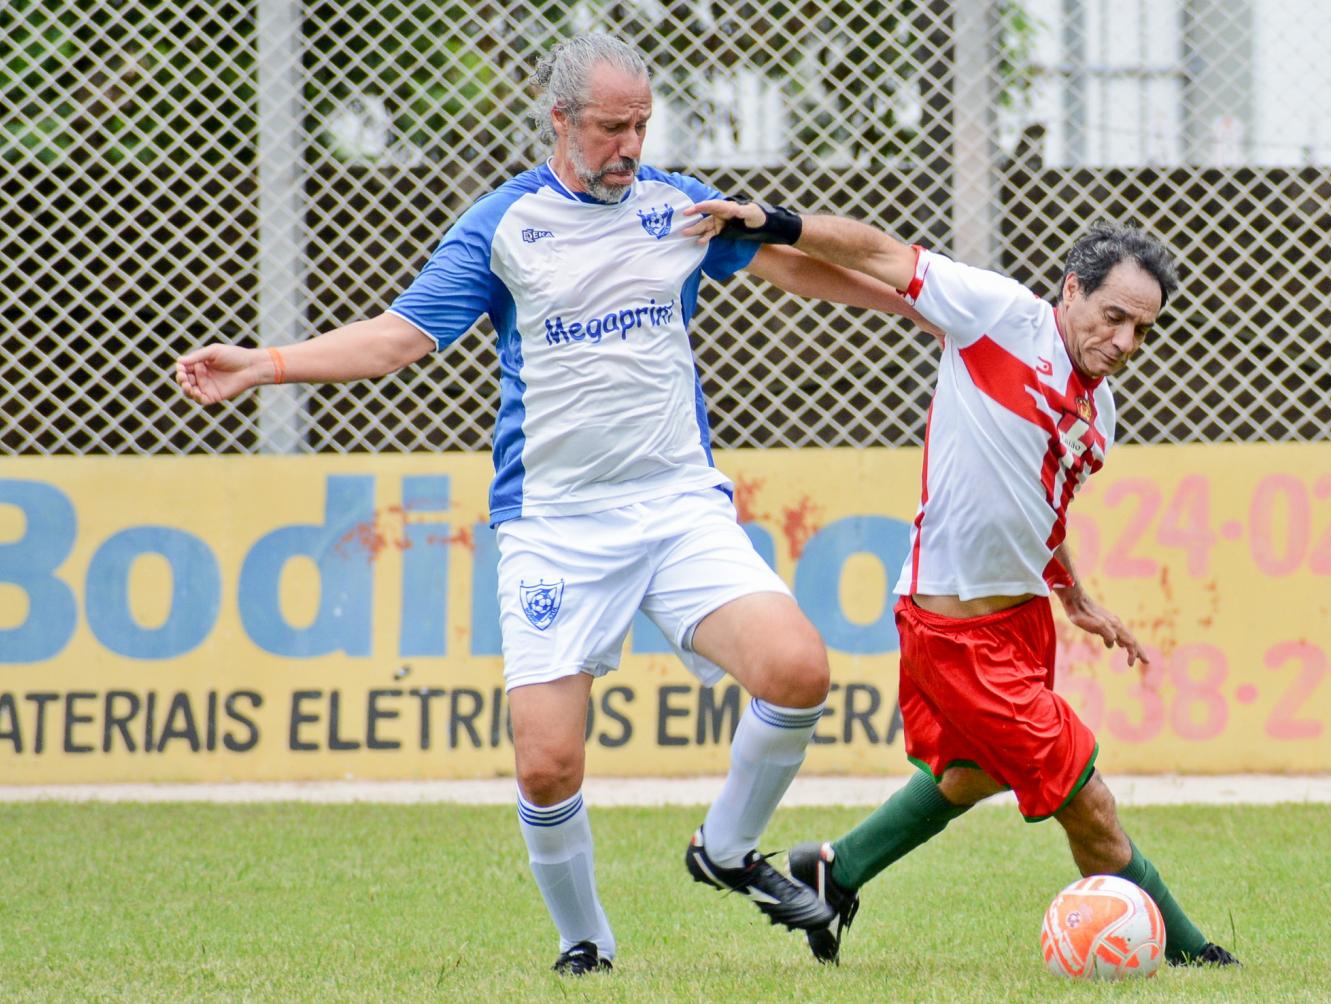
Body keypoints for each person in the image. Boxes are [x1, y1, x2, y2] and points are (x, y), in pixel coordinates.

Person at [175, 33, 930, 976]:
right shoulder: (505, 226)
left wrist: (916, 305)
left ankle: (727, 849)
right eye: (613, 127)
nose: (630, 146)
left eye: (643, 126)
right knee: (546, 764)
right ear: (560, 121)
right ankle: (586, 944)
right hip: (555, 526)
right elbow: (400, 338)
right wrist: (268, 364)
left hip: (675, 507)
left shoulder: (679, 208)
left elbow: (787, 263)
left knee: (798, 670)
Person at [683, 199, 1242, 968]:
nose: (1124, 342)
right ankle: (1191, 956)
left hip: (1020, 626)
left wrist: (1073, 595)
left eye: (1143, 330)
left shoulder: (1099, 409)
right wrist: (774, 223)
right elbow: (879, 253)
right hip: (955, 636)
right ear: (1072, 291)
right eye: (1114, 317)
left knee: (972, 774)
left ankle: (833, 870)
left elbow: (1040, 509)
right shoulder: (1001, 317)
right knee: (1092, 804)